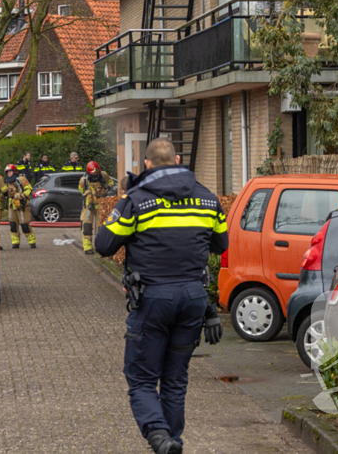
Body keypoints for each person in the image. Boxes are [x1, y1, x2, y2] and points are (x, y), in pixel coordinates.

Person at [96, 138, 227, 454]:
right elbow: (221, 246)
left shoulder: (136, 201)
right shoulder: (209, 201)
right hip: (193, 300)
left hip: (153, 300)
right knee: (175, 381)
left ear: (147, 165)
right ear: (178, 159)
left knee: (141, 380)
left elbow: (103, 245)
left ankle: (157, 436)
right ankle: (173, 443)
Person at [78, 161, 115, 254]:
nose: (95, 177)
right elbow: (81, 190)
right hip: (88, 205)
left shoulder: (103, 175)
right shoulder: (84, 180)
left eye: (96, 174)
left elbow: (111, 182)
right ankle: (88, 247)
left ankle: (99, 245)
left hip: (100, 204)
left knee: (101, 225)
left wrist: (107, 187)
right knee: (87, 225)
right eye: (93, 175)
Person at [2, 163, 36, 249]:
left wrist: (22, 196)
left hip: (22, 206)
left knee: (25, 225)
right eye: (7, 172)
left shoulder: (21, 179)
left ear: (14, 171)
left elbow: (29, 188)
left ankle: (32, 242)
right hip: (12, 206)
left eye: (10, 171)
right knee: (13, 225)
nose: (9, 173)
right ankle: (15, 243)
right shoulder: (7, 182)